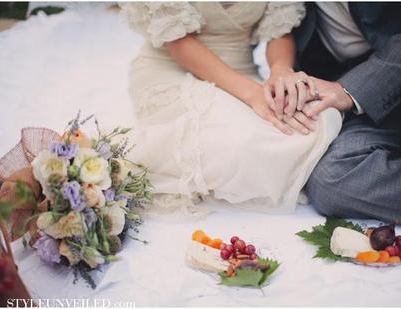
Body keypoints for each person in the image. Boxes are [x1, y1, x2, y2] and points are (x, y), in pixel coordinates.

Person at [119, 2, 342, 215]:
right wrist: (252, 94)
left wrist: (280, 70)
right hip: (173, 69)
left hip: (242, 70)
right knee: (242, 140)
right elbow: (178, 42)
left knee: (320, 118)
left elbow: (280, 31)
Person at [272, 3, 401, 227]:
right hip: (351, 87)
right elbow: (278, 24)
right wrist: (282, 70)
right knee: (331, 181)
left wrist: (353, 89)